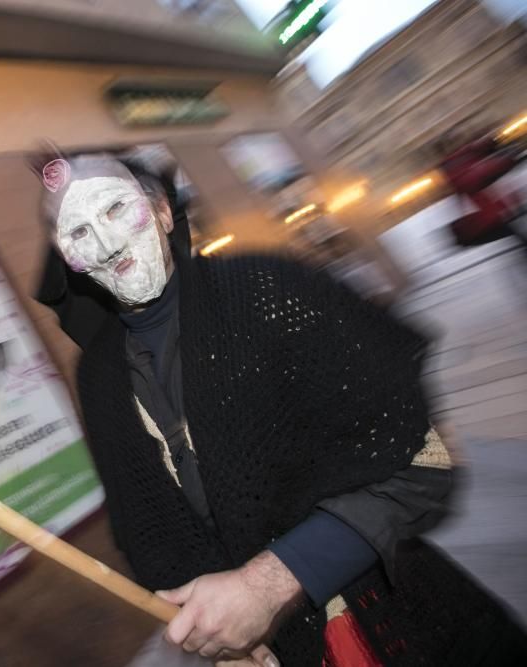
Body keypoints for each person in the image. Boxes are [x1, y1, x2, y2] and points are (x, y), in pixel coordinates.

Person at [31, 149, 527, 666]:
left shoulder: (267, 291)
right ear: (69, 258)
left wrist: (273, 581)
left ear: (160, 212)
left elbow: (426, 461)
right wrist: (210, 631)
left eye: (114, 210)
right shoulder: (98, 378)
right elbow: (149, 536)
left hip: (410, 626)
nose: (108, 245)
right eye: (79, 234)